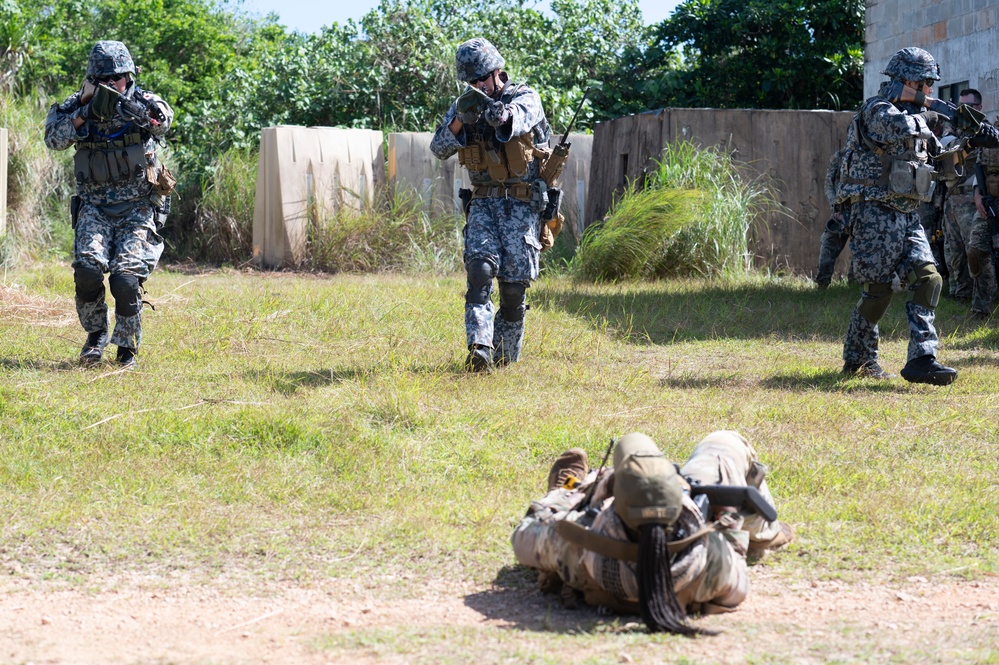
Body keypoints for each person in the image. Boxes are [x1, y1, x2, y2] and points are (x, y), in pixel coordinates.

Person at [511, 431, 793, 634]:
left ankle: (568, 490)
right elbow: (736, 586)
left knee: (559, 506)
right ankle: (766, 533)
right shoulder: (707, 559)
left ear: (614, 504)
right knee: (724, 442)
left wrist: (589, 498)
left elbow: (522, 537)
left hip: (604, 561)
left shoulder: (576, 545)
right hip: (688, 553)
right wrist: (724, 521)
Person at [44, 40, 173, 370]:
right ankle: (96, 335)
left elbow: (165, 121)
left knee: (125, 280)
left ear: (129, 76)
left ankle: (126, 347)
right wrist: (85, 112)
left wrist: (152, 119)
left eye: (119, 78)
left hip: (138, 207)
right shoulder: (77, 105)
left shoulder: (142, 102)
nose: (114, 84)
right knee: (87, 272)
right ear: (91, 79)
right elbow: (53, 140)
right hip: (94, 207)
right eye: (105, 79)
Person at [834, 47, 959, 385]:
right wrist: (937, 111)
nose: (930, 91)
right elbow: (897, 128)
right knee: (878, 289)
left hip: (906, 214)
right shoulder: (877, 109)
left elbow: (943, 159)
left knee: (929, 280)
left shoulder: (918, 118)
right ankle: (859, 359)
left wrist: (972, 140)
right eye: (926, 85)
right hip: (873, 211)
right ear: (908, 81)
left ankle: (922, 358)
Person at [430, 38, 551, 372]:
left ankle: (504, 357)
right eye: (472, 81)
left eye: (482, 78)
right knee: (480, 271)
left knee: (513, 291)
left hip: (522, 205)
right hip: (484, 202)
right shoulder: (464, 104)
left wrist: (494, 112)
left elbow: (515, 123)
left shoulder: (524, 96)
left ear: (497, 71)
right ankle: (479, 348)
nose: (478, 85)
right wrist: (461, 119)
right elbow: (439, 147)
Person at [942, 89, 984, 302]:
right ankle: (960, 296)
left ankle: (981, 298)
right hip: (951, 198)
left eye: (967, 107)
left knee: (974, 251)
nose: (961, 111)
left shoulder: (985, 135)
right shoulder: (954, 134)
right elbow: (944, 154)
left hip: (970, 199)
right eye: (960, 107)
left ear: (978, 108)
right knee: (953, 252)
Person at [815, 149, 853, 287]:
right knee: (828, 247)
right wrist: (835, 204)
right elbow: (828, 183)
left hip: (863, 213)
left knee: (860, 254)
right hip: (840, 213)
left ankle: (854, 288)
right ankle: (822, 285)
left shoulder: (872, 157)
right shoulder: (841, 156)